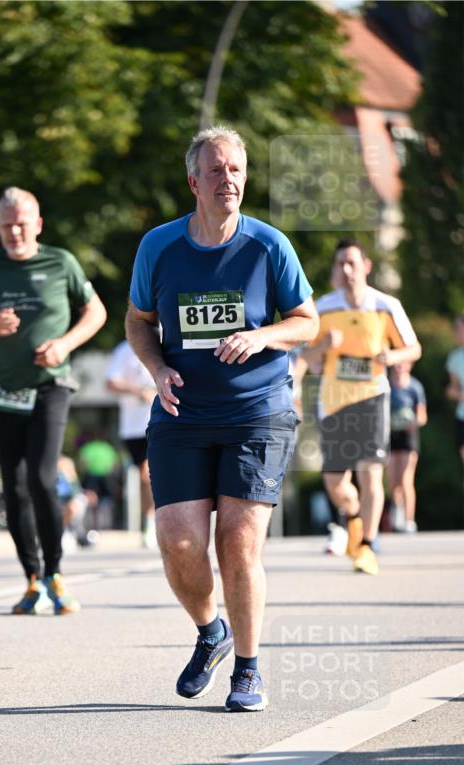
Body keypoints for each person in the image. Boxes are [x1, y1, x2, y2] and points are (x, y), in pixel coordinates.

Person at [125, 126, 318, 712]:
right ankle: (212, 632)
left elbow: (306, 322)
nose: (227, 179)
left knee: (238, 541)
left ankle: (249, 669)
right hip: (182, 415)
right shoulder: (159, 247)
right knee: (178, 540)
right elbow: (138, 321)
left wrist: (261, 336)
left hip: (257, 413)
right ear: (194, 182)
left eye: (235, 169)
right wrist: (157, 370)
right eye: (215, 170)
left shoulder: (268, 246)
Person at [0, 187, 106, 614]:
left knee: (43, 479)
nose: (14, 232)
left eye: (22, 224)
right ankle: (32, 579)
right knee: (14, 486)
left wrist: (64, 345)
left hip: (50, 385)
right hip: (3, 389)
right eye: (6, 225)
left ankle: (56, 574)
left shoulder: (61, 262)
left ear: (38, 224)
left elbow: (95, 312)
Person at [305, 239, 421, 576]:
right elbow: (306, 359)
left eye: (352, 263)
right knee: (334, 483)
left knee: (371, 474)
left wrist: (392, 356)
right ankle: (354, 520)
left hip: (372, 397)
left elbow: (413, 348)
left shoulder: (386, 306)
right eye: (340, 263)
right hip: (334, 402)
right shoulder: (323, 308)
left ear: (366, 266)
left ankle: (367, 547)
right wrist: (324, 346)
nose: (346, 269)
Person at [105, 339, 157, 547]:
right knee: (146, 475)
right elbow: (110, 382)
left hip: (168, 421)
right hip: (136, 427)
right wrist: (140, 391)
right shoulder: (126, 350)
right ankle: (150, 522)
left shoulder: (170, 340)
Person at [387, 362, 427, 532]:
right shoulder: (385, 385)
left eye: (401, 365)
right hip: (389, 435)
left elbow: (422, 416)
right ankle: (398, 509)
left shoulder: (415, 387)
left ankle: (409, 520)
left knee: (405, 479)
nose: (398, 368)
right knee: (392, 480)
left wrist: (414, 422)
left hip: (407, 437)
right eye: (395, 365)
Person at [445, 313, 464, 464]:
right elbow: (451, 390)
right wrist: (459, 395)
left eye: (458, 328)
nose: (455, 332)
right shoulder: (455, 357)